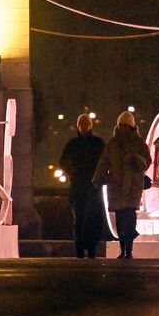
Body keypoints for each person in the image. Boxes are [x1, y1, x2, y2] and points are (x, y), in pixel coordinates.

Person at [94, 111, 151, 259]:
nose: (123, 128)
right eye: (121, 125)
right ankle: (124, 249)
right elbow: (104, 161)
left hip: (131, 185)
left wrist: (133, 159)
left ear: (131, 126)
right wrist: (98, 177)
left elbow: (147, 160)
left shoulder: (138, 144)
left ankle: (128, 250)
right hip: (117, 185)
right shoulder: (113, 144)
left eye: (126, 125)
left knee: (129, 218)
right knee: (121, 218)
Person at [59, 114, 105, 259]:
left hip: (90, 186)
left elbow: (105, 161)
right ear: (78, 126)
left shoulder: (95, 143)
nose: (84, 126)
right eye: (82, 124)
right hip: (81, 186)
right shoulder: (90, 143)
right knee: (80, 219)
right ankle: (81, 249)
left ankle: (90, 248)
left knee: (91, 218)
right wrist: (73, 173)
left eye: (86, 124)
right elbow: (63, 161)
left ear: (90, 125)